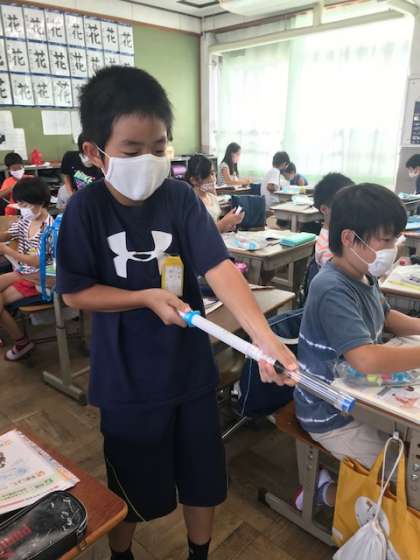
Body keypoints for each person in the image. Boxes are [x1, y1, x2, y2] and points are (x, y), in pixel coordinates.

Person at [56, 66, 297, 560]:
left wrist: (263, 338)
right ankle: (122, 554)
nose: (148, 161)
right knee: (130, 483)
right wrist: (144, 297)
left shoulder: (180, 198)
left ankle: (198, 554)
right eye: (131, 151)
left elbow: (219, 267)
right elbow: (75, 293)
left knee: (201, 476)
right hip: (126, 379)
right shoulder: (86, 209)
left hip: (188, 371)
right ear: (94, 152)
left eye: (159, 147)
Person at [294, 183, 420, 510]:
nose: (393, 248)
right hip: (329, 413)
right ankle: (323, 492)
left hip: (358, 397)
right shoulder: (331, 287)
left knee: (410, 459)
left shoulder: (363, 273)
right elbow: (364, 358)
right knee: (407, 484)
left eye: (395, 239)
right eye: (386, 240)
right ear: (350, 239)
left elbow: (387, 315)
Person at [0, 177, 53, 360]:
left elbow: (37, 262)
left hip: (40, 278)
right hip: (23, 273)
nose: (21, 208)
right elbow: (9, 234)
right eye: (19, 204)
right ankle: (21, 342)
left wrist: (7, 250)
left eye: (24, 204)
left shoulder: (49, 228)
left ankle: (21, 343)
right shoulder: (26, 221)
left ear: (40, 202)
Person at [185, 154, 244, 233]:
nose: (212, 179)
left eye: (212, 174)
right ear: (194, 180)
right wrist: (224, 222)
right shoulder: (190, 202)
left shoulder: (212, 197)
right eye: (207, 175)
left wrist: (227, 226)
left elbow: (216, 225)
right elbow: (200, 233)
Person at [313, 173, 354, 266]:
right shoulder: (325, 247)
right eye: (344, 206)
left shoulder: (343, 231)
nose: (351, 210)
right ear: (324, 209)